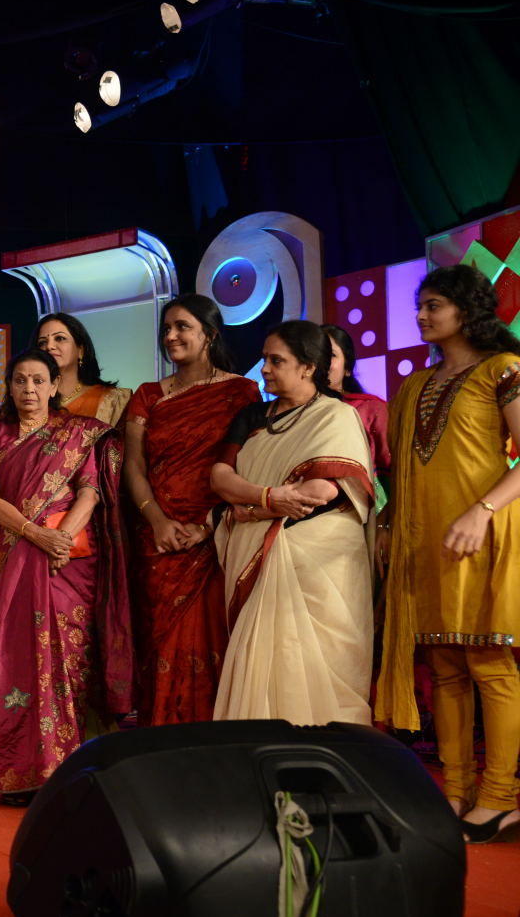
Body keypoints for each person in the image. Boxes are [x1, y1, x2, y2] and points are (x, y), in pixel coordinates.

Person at [375, 265, 520, 843]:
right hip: (427, 540)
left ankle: (502, 796)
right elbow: (404, 472)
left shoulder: (502, 370)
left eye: (433, 305)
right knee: (445, 668)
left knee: (489, 664)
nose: (421, 316)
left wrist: (481, 512)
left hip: (481, 534)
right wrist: (389, 523)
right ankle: (455, 792)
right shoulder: (414, 385)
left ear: (466, 309)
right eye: (420, 306)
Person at [0, 349, 132, 802]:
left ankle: (61, 773)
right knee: (14, 657)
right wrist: (31, 532)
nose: (28, 389)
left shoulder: (78, 433)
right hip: (11, 554)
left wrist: (60, 539)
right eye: (20, 381)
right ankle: (14, 773)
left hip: (67, 562)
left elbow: (90, 490)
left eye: (37, 381)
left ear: (53, 386)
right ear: (9, 386)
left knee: (67, 662)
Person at [209, 320, 374, 726]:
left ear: (307, 367)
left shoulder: (335, 417)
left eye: (275, 360)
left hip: (316, 563)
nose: (263, 368)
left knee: (314, 660)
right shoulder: (251, 417)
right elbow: (219, 477)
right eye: (264, 358)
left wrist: (250, 509)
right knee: (262, 657)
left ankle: (323, 763)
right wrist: (269, 499)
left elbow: (321, 492)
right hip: (258, 553)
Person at [123, 295, 261, 725]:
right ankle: (161, 741)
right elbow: (134, 465)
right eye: (166, 328)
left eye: (182, 327)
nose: (171, 336)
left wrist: (206, 526)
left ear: (209, 335)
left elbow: (247, 463)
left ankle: (212, 745)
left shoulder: (241, 392)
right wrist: (158, 521)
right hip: (158, 539)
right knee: (160, 644)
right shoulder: (148, 395)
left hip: (216, 537)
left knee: (213, 639)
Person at [322, 324, 391, 497]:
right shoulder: (288, 414)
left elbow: (390, 469)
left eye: (330, 355)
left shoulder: (370, 409)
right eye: (315, 353)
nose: (320, 361)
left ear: (347, 368)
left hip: (360, 511)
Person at [35, 312, 132, 426]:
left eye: (60, 338)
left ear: (81, 351)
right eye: (42, 342)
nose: (49, 346)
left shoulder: (114, 400)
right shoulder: (29, 400)